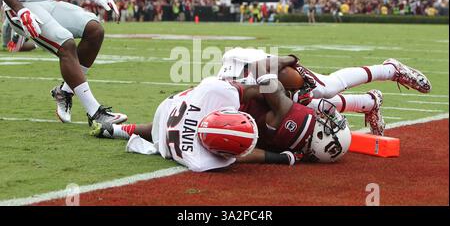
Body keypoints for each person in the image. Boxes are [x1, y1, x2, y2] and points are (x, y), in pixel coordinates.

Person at [90, 58, 353, 170]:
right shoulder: (202, 163)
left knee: (274, 82)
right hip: (166, 138)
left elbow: (260, 71)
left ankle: (120, 129)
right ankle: (121, 130)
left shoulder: (218, 95)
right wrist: (284, 158)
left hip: (170, 109)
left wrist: (288, 60)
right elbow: (243, 152)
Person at [0, 0, 127, 126]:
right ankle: (96, 114)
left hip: (46, 2)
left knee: (95, 30)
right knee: (66, 44)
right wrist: (20, 9)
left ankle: (65, 92)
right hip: (20, 6)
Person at [217, 48, 432, 136]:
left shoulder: (252, 78)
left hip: (270, 68)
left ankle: (390, 70)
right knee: (307, 107)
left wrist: (293, 73)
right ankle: (370, 101)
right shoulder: (226, 102)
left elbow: (278, 71)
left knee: (325, 88)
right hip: (257, 82)